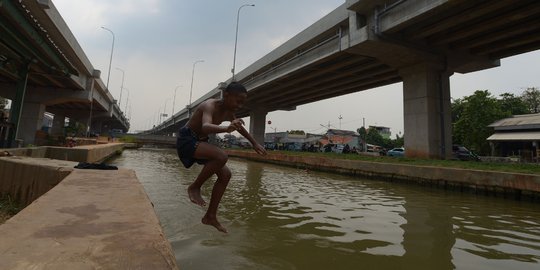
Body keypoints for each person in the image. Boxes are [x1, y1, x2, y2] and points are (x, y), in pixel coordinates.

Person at [176, 81, 267, 233]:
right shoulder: (209, 105)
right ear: (226, 95)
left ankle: (210, 216)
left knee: (226, 174)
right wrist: (227, 128)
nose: (239, 105)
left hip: (200, 141)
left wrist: (254, 143)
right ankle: (194, 187)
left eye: (242, 103)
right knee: (221, 156)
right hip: (187, 140)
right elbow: (206, 126)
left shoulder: (228, 112)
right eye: (237, 101)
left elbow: (241, 128)